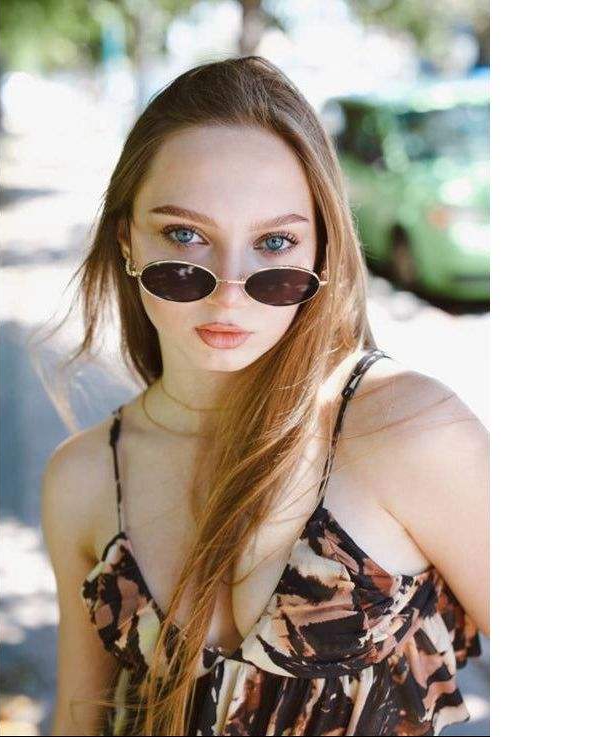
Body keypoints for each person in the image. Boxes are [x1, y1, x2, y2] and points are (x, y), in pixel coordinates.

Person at [40, 56, 489, 736]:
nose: (228, 291)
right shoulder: (82, 478)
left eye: (274, 242)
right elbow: (79, 719)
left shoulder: (410, 430)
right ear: (126, 238)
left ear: (321, 252)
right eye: (185, 236)